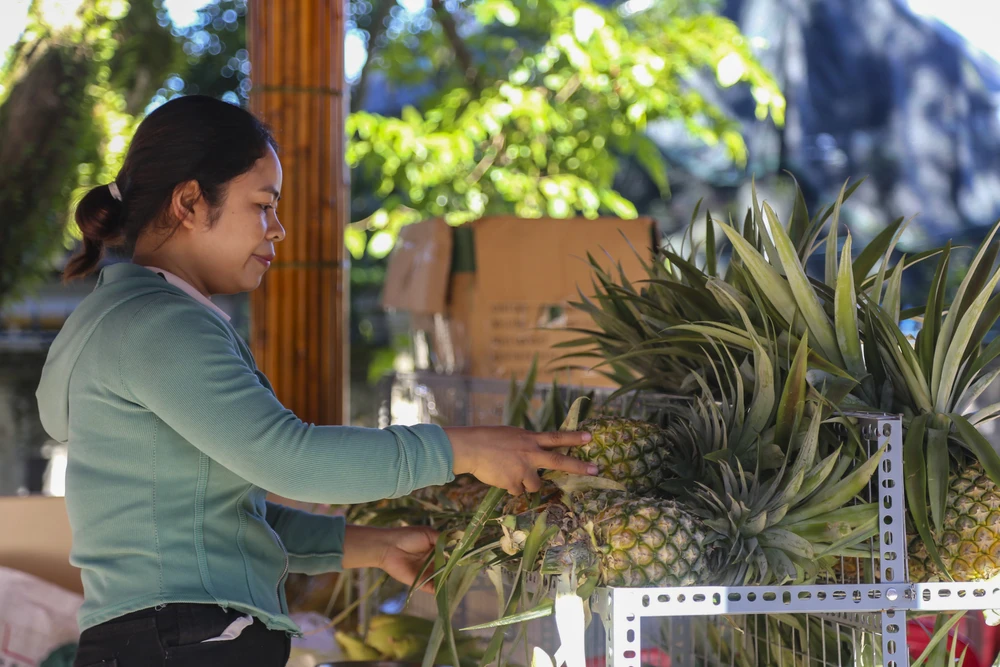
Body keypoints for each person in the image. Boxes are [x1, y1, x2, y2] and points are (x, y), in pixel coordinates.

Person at [34, 95, 597, 667]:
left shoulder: (120, 319)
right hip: (185, 641)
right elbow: (289, 460)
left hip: (163, 638)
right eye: (263, 205)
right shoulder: (160, 326)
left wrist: (375, 546)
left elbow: (226, 517)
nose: (278, 229)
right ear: (189, 202)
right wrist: (462, 448)